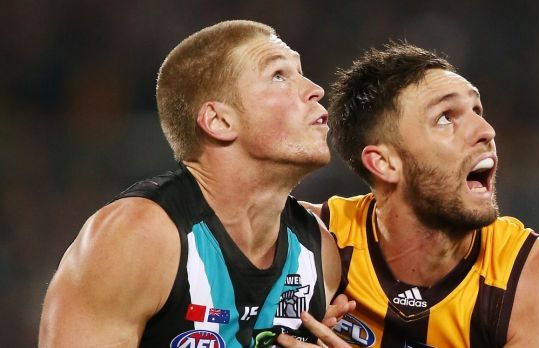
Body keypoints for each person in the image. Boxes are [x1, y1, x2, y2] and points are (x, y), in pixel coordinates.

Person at [39, 20, 351, 347]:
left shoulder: (318, 253)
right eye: (278, 75)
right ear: (219, 120)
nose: (315, 89)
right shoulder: (137, 239)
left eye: (300, 72)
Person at [301, 42, 539, 347]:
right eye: (446, 118)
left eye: (477, 109)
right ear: (384, 163)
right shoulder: (308, 240)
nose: (486, 130)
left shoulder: (536, 276)